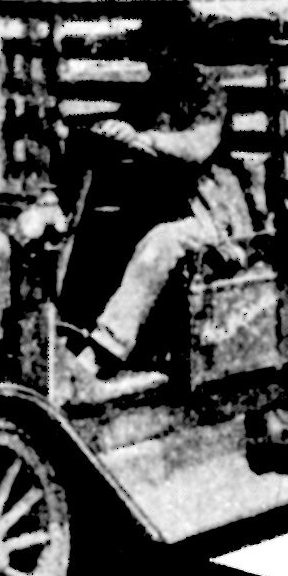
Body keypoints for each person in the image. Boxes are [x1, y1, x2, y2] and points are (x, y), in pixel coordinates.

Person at [67, 40, 253, 402]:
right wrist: (114, 130)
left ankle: (101, 352)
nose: (155, 54)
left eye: (163, 41)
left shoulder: (206, 89)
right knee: (100, 228)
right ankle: (70, 336)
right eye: (152, 44)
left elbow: (197, 145)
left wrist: (142, 139)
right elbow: (129, 125)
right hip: (166, 207)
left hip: (212, 216)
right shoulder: (154, 90)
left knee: (162, 242)